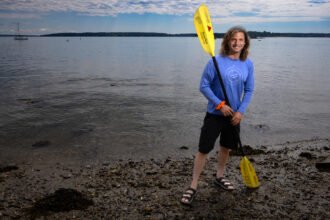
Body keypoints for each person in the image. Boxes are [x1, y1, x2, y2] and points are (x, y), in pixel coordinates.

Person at [181, 26, 254, 205]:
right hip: (215, 114)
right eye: (234, 39)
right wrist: (220, 104)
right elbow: (203, 86)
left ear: (245, 43)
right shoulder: (215, 61)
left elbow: (249, 89)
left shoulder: (248, 64)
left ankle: (219, 176)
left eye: (241, 40)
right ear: (228, 41)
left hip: (234, 116)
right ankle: (193, 185)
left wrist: (240, 111)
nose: (237, 43)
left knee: (226, 147)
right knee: (204, 149)